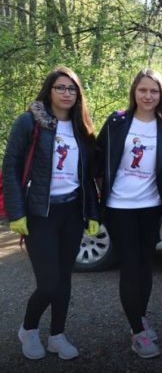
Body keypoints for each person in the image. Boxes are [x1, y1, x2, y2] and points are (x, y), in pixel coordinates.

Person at [2, 67, 99, 360]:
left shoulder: (82, 128)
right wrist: (17, 213)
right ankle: (29, 329)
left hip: (72, 211)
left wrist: (92, 212)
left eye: (72, 89)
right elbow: (11, 167)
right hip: (39, 213)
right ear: (49, 90)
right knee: (48, 283)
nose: (67, 93)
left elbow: (87, 176)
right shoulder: (29, 122)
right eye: (61, 87)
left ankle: (57, 335)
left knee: (64, 279)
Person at [95, 68, 162, 358]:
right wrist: (100, 193)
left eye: (154, 91)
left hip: (150, 207)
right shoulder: (117, 122)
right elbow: (98, 159)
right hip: (119, 208)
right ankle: (137, 332)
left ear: (161, 95)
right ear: (134, 92)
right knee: (131, 267)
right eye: (143, 90)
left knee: (145, 266)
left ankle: (140, 318)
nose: (148, 96)